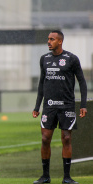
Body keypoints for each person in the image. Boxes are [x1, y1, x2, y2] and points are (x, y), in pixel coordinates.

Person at [32, 30, 87, 184]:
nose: (49, 42)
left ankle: (67, 177)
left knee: (67, 138)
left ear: (60, 41)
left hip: (67, 106)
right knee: (45, 139)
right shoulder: (44, 59)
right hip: (49, 106)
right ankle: (45, 176)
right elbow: (42, 84)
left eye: (52, 39)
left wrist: (83, 105)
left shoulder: (71, 59)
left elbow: (82, 81)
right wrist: (37, 106)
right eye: (48, 39)